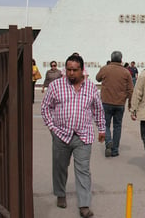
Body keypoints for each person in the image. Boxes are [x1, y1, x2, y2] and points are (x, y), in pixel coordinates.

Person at [41, 54, 105, 218]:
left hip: (83, 136)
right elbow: (45, 108)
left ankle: (84, 205)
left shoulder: (91, 88)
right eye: (68, 69)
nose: (71, 73)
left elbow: (98, 110)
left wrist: (102, 129)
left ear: (82, 70)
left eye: (74, 70)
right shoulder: (56, 86)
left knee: (83, 170)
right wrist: (52, 128)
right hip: (61, 135)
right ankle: (60, 193)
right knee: (60, 167)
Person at [96, 51, 133, 157]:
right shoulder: (126, 72)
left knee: (105, 124)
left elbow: (97, 78)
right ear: (121, 59)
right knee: (117, 126)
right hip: (120, 103)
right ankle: (115, 149)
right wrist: (130, 102)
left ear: (111, 59)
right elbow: (130, 89)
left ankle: (108, 142)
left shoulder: (105, 69)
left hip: (106, 102)